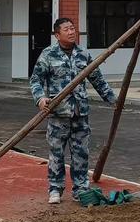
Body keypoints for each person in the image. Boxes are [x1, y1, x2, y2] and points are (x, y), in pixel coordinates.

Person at [30, 17, 117, 204]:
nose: (71, 32)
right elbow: (35, 79)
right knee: (57, 154)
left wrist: (113, 99)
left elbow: (98, 80)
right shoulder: (48, 55)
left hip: (80, 113)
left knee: (81, 153)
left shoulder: (83, 55)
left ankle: (81, 189)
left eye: (73, 28)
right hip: (58, 114)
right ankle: (55, 188)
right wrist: (40, 98)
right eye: (66, 29)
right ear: (57, 34)